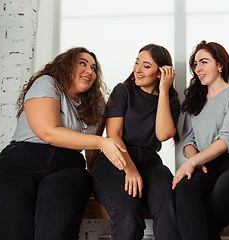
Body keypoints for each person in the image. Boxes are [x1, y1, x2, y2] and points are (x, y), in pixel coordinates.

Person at [0, 47, 125, 240]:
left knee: (56, 233)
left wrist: (94, 181)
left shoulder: (96, 105)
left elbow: (90, 152)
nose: (89, 70)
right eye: (82, 63)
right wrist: (102, 142)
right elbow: (48, 132)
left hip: (68, 168)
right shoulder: (47, 83)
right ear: (66, 65)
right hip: (19, 163)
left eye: (94, 68)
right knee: (13, 233)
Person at [172, 40, 229, 240]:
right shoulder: (194, 100)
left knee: (201, 217)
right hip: (206, 164)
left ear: (220, 65)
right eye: (195, 64)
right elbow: (188, 140)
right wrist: (195, 163)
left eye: (204, 62)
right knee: (184, 188)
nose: (198, 68)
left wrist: (193, 162)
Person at [91, 44, 182, 240]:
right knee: (129, 216)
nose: (137, 69)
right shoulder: (123, 91)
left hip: (151, 163)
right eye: (137, 62)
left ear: (161, 73)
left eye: (146, 66)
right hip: (116, 159)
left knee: (169, 210)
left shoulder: (171, 101)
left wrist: (164, 91)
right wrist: (129, 169)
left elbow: (163, 134)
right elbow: (113, 134)